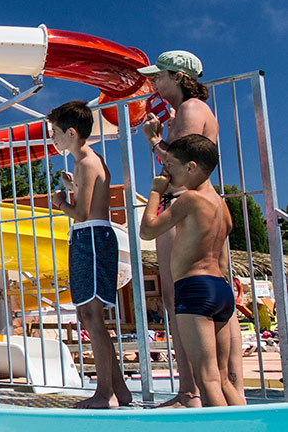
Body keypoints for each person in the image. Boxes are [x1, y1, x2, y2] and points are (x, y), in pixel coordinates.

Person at [138, 50, 245, 407]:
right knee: (219, 299)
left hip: (185, 207)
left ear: (177, 77)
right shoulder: (199, 111)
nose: (154, 82)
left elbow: (176, 166)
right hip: (212, 209)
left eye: (159, 76)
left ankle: (190, 393)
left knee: (177, 298)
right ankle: (231, 389)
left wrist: (153, 138)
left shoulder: (188, 110)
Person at [48, 100, 132, 408]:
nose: (53, 139)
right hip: (91, 237)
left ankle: (104, 392)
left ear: (71, 132)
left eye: (55, 132)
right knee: (87, 315)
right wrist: (74, 187)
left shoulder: (85, 162)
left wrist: (59, 201)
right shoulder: (88, 161)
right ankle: (119, 389)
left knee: (93, 316)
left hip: (92, 238)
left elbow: (82, 213)